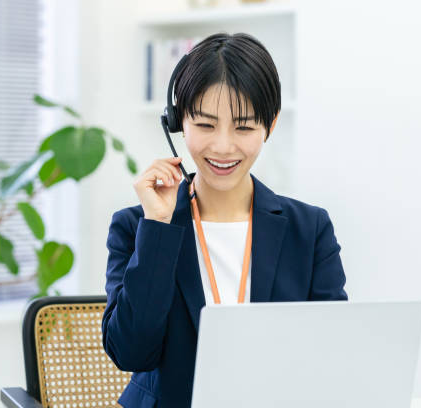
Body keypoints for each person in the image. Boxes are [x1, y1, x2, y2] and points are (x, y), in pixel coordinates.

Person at [102, 32, 348, 408]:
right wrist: (158, 229)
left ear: (271, 124)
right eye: (204, 125)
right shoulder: (138, 227)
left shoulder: (310, 230)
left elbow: (333, 355)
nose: (222, 146)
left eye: (244, 127)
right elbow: (131, 352)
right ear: (178, 122)